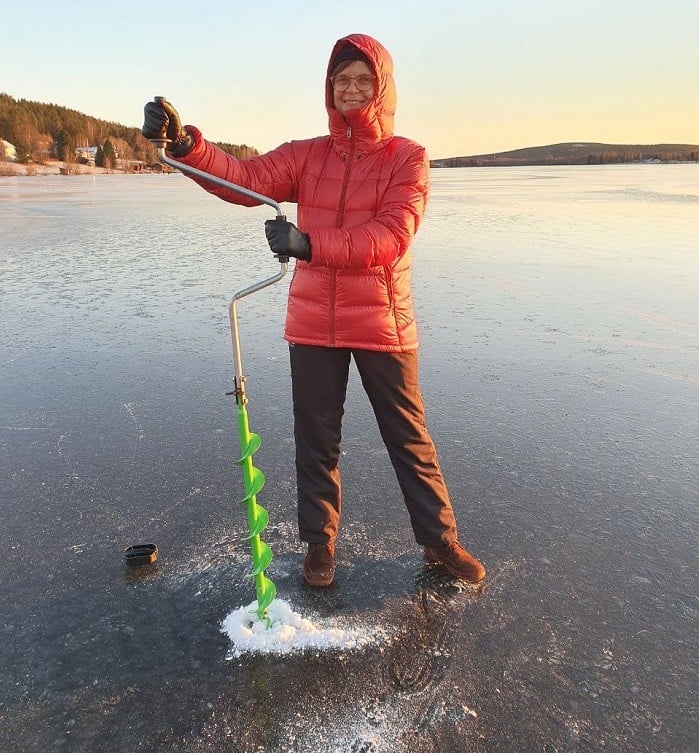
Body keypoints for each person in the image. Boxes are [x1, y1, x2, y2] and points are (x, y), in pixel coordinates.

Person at [142, 33, 486, 587]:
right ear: (330, 89)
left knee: (408, 437)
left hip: (381, 321)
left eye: (362, 81)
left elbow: (391, 236)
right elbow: (246, 179)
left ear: (381, 89)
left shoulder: (408, 158)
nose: (351, 90)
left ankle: (440, 543)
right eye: (341, 81)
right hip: (313, 322)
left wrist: (309, 245)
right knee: (316, 437)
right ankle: (320, 546)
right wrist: (185, 146)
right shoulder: (307, 154)